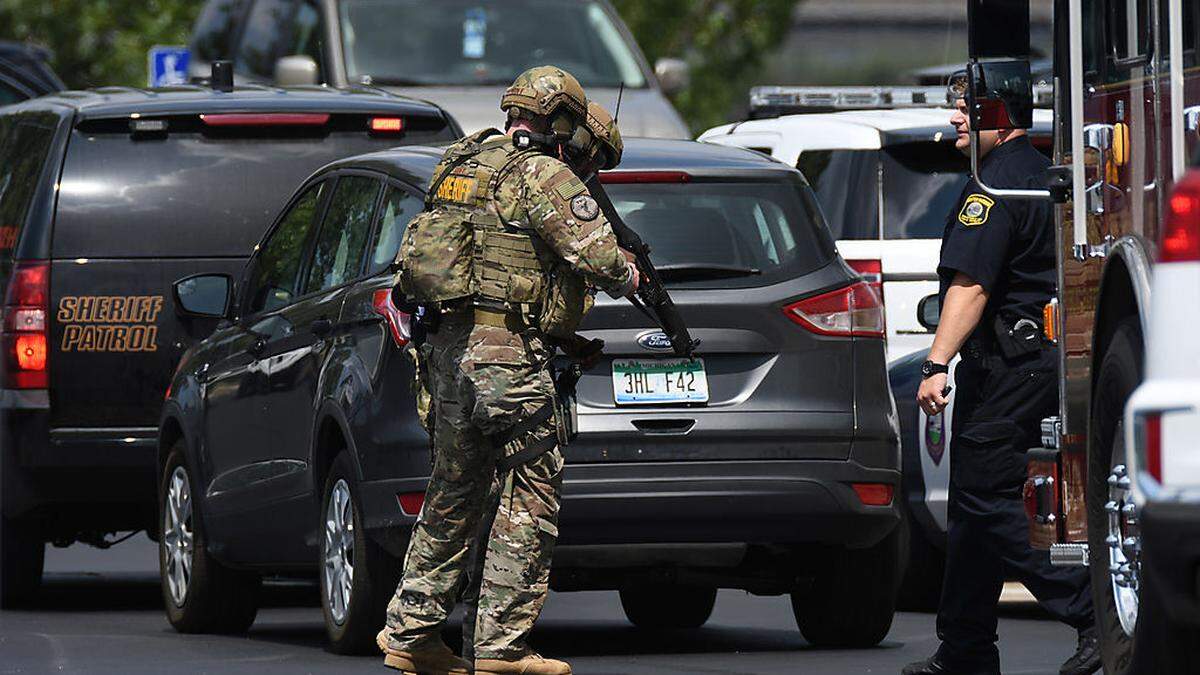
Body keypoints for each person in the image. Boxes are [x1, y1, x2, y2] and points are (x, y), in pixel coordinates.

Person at [377, 66, 638, 675]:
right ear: (563, 121)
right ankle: (502, 648)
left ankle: (410, 633)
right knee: (530, 491)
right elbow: (600, 260)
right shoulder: (540, 172)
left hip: (447, 352)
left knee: (453, 491)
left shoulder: (462, 163)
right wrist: (629, 271)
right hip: (506, 360)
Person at [904, 75, 1100, 675]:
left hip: (1007, 372)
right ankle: (964, 648)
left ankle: (1093, 614)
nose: (957, 119)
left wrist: (936, 363)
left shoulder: (991, 187)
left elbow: (972, 284)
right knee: (970, 513)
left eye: (967, 108)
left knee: (992, 503)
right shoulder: (1040, 172)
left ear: (1001, 114)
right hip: (1041, 364)